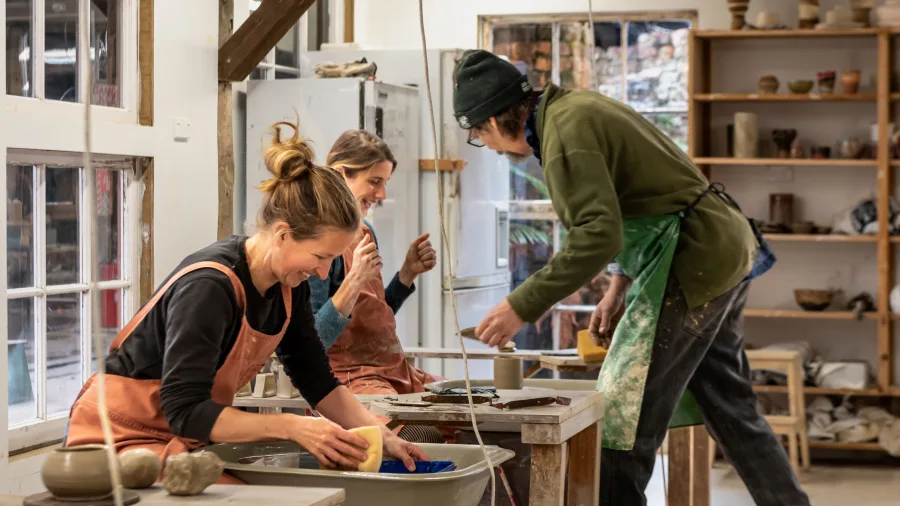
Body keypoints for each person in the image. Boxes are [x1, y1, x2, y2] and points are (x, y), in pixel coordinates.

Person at [452, 50, 809, 505]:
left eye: (482, 137)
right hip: (718, 246)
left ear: (496, 122)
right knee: (730, 406)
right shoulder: (571, 112)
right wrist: (618, 284)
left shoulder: (566, 133)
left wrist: (520, 304)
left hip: (692, 254)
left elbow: (598, 233)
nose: (493, 148)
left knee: (625, 411)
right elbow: (633, 201)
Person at [65, 121, 427, 478]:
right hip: (119, 439)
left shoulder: (289, 287)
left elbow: (317, 379)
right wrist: (291, 427)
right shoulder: (209, 287)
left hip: (178, 440)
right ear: (283, 235)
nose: (322, 273)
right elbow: (185, 410)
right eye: (320, 257)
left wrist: (379, 435)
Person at [308, 130, 445, 443]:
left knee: (469, 412)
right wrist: (353, 280)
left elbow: (372, 319)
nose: (382, 194)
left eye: (385, 183)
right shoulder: (317, 241)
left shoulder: (364, 230)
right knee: (421, 437)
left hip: (391, 372)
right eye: (374, 181)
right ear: (341, 174)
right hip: (351, 378)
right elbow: (313, 342)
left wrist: (407, 274)